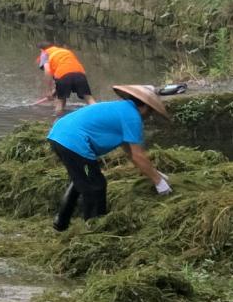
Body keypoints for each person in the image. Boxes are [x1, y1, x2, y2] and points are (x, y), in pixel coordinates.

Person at [46, 84, 172, 232]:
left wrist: (154, 173)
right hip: (73, 142)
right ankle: (95, 230)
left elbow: (130, 152)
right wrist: (158, 182)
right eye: (150, 112)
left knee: (81, 180)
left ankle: (61, 223)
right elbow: (138, 155)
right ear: (144, 107)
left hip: (58, 135)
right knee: (95, 186)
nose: (148, 116)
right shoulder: (132, 116)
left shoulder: (121, 109)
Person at [36, 42, 95, 117]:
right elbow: (70, 69)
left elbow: (47, 71)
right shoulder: (65, 51)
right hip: (80, 74)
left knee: (60, 101)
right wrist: (56, 90)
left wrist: (48, 91)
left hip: (62, 75)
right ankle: (99, 117)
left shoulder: (45, 53)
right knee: (89, 98)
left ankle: (57, 122)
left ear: (41, 50)